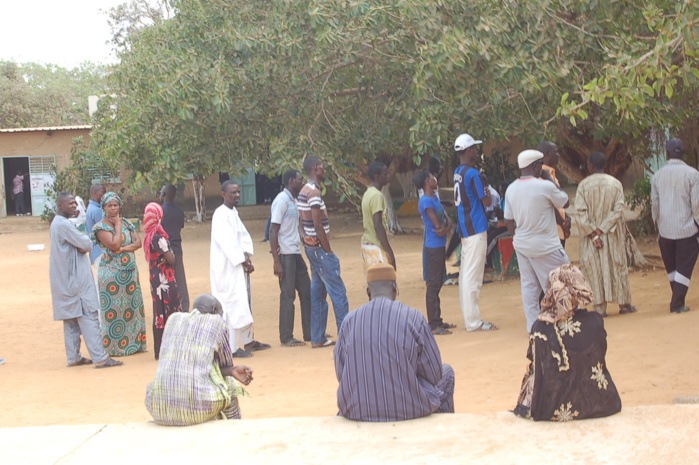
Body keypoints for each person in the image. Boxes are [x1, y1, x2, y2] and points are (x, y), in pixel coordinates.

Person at [334, 263, 455, 422]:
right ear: (395, 288)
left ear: (368, 292)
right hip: (409, 409)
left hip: (356, 410)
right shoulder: (414, 318)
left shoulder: (349, 320)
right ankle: (442, 435)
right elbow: (434, 374)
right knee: (447, 373)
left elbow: (341, 374)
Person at [514, 265, 621, 421]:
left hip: (551, 409)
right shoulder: (595, 321)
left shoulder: (540, 328)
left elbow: (536, 370)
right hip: (602, 403)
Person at [145, 294, 254, 426]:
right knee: (229, 384)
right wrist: (231, 371)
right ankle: (233, 428)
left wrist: (231, 370)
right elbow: (225, 363)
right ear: (214, 311)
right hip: (196, 408)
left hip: (158, 407)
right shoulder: (216, 322)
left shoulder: (173, 319)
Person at [50, 191, 122, 368]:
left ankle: (73, 357)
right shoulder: (64, 225)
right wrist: (84, 244)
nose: (74, 206)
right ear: (60, 206)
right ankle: (100, 358)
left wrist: (82, 244)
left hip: (64, 280)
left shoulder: (58, 223)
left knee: (72, 319)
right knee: (88, 315)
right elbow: (87, 244)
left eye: (75, 203)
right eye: (70, 204)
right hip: (76, 281)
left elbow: (82, 244)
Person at [505, 149, 571, 332]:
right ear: (536, 166)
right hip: (546, 246)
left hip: (522, 245)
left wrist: (518, 237)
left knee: (529, 288)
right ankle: (566, 324)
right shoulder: (544, 186)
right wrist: (549, 178)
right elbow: (565, 202)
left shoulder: (511, 188)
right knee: (561, 283)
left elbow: (509, 220)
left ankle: (533, 328)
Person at [211, 180, 271, 357]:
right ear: (223, 194)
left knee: (242, 303)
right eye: (233, 193)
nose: (237, 195)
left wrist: (246, 256)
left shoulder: (233, 212)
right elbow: (228, 243)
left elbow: (243, 237)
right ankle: (231, 348)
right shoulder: (220, 214)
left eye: (238, 192)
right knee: (230, 306)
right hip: (226, 269)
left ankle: (248, 341)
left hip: (237, 267)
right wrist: (243, 260)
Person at [575, 152, 636, 317]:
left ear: (591, 166)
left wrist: (593, 232)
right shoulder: (615, 184)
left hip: (591, 237)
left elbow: (580, 213)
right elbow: (618, 210)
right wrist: (603, 228)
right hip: (612, 234)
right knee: (617, 266)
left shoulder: (583, 186)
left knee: (594, 269)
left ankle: (600, 309)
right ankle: (624, 304)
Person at [297, 156, 349, 348]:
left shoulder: (304, 190)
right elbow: (317, 224)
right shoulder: (313, 194)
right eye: (322, 167)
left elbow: (301, 223)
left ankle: (317, 337)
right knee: (338, 293)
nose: (324, 170)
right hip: (320, 250)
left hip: (312, 249)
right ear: (314, 169)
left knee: (318, 293)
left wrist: (305, 240)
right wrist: (327, 251)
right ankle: (346, 338)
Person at [91, 192, 147, 356]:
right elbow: (114, 245)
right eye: (110, 206)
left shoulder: (128, 224)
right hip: (111, 276)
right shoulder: (101, 227)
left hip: (129, 273)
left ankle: (135, 345)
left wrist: (123, 249)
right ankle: (115, 348)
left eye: (116, 205)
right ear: (104, 208)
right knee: (114, 311)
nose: (113, 208)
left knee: (132, 309)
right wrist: (117, 226)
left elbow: (138, 243)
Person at [452, 133, 497, 331]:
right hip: (476, 228)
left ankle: (470, 318)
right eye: (475, 149)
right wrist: (486, 190)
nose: (477, 152)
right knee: (473, 276)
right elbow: (486, 200)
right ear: (468, 151)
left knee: (465, 276)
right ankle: (473, 322)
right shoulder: (473, 174)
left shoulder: (457, 172)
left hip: (465, 228)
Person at [651, 138, 699, 314]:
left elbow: (654, 204)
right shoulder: (692, 174)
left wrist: (657, 223)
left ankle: (678, 299)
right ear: (684, 152)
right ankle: (677, 304)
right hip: (687, 229)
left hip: (665, 230)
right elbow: (697, 205)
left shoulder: (657, 175)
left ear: (666, 153)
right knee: (684, 268)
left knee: (672, 268)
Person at [270, 169, 312, 347]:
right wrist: (276, 260)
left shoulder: (293, 200)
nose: (302, 182)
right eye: (299, 179)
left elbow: (297, 226)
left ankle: (311, 332)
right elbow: (273, 230)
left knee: (307, 291)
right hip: (286, 255)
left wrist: (306, 239)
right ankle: (286, 337)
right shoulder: (281, 200)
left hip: (296, 252)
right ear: (290, 181)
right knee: (288, 296)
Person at [415, 170, 455, 335]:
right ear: (426, 181)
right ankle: (433, 323)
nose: (434, 180)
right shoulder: (425, 201)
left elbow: (446, 223)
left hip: (438, 243)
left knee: (437, 282)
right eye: (432, 178)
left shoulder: (434, 198)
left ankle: (437, 319)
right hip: (433, 245)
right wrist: (445, 228)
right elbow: (439, 226)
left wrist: (445, 228)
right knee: (433, 284)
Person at [143, 202, 182, 359]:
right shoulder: (158, 237)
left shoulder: (149, 236)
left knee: (159, 312)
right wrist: (169, 255)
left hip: (155, 279)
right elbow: (171, 259)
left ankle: (159, 351)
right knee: (169, 309)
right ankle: (168, 349)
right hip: (165, 279)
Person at [360, 161, 396, 272]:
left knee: (374, 282)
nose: (388, 176)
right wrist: (389, 251)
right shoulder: (377, 196)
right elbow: (378, 225)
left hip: (367, 244)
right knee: (384, 282)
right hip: (376, 245)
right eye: (385, 174)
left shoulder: (368, 193)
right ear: (377, 177)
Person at [159, 184, 190, 312]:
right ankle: (184, 308)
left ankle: (168, 309)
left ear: (164, 194)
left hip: (164, 251)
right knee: (180, 281)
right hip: (177, 249)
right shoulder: (179, 211)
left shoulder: (160, 212)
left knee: (164, 281)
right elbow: (180, 226)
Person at [537, 142, 571, 247]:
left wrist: (566, 217)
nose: (558, 155)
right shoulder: (542, 175)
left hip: (558, 230)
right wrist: (562, 223)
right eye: (555, 152)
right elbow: (548, 204)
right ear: (547, 154)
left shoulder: (551, 173)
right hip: (551, 232)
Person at [85, 184, 106, 270]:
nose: (104, 196)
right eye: (102, 193)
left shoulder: (92, 207)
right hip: (101, 251)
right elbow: (105, 230)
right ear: (94, 193)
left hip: (96, 251)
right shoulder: (96, 211)